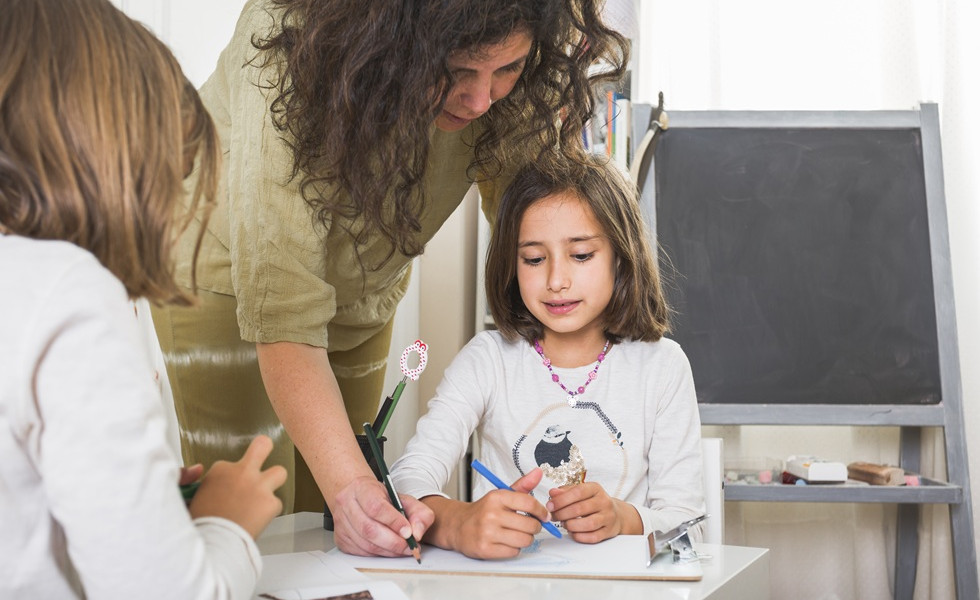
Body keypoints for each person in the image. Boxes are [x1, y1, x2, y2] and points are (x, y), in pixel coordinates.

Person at [149, 0, 630, 558]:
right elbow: (283, 304)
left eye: (507, 70)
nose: (481, 101)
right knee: (252, 522)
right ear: (393, 44)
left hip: (363, 288)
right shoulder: (286, 41)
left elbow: (541, 228)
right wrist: (355, 490)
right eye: (457, 73)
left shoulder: (514, 68)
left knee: (335, 524)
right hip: (221, 275)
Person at [0, 1, 287, 597]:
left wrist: (145, 513)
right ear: (112, 157)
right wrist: (226, 522)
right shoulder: (70, 291)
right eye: (166, 176)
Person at [389, 155, 705, 559]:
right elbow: (407, 479)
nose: (556, 281)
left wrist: (623, 519)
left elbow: (687, 526)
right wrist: (457, 523)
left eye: (581, 255)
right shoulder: (488, 360)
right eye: (534, 259)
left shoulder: (663, 367)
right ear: (512, 264)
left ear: (621, 258)